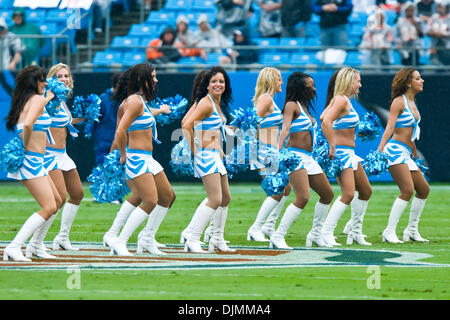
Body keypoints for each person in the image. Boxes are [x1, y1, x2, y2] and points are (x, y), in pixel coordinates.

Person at [108, 63, 175, 256]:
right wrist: (122, 155)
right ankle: (120, 241)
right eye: (152, 77)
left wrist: (161, 110)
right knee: (150, 200)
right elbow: (120, 130)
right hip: (136, 158)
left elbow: (144, 114)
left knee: (167, 197)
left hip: (148, 158)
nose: (156, 80)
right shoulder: (135, 101)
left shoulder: (140, 101)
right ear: (141, 80)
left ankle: (147, 238)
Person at [269, 71, 334, 249]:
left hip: (309, 158)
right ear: (300, 87)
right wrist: (278, 150)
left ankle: (315, 234)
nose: (314, 88)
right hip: (295, 157)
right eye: (310, 85)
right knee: (303, 197)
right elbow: (285, 129)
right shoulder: (292, 105)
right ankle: (278, 235)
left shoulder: (305, 106)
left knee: (327, 194)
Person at [3, 65, 61, 261]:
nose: (45, 82)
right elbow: (28, 124)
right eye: (42, 79)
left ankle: (36, 245)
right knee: (49, 206)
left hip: (37, 161)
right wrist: (26, 144)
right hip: (32, 160)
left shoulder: (29, 100)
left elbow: (31, 119)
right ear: (33, 82)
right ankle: (14, 246)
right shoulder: (35, 100)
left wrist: (48, 98)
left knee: (57, 201)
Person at [29, 63, 85, 254]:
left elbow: (65, 123)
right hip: (49, 155)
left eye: (66, 76)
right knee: (58, 199)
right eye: (59, 76)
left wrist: (84, 117)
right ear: (52, 78)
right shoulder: (48, 98)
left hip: (63, 155)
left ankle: (62, 237)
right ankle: (36, 243)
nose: (64, 79)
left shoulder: (61, 100)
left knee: (77, 194)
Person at [181, 66, 235, 253]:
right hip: (205, 156)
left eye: (221, 81)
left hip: (214, 155)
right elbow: (186, 125)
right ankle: (193, 237)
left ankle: (217, 239)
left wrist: (219, 147)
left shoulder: (213, 103)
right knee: (215, 198)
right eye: (214, 81)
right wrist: (194, 148)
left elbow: (186, 122)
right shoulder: (206, 103)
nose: (218, 84)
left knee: (225, 198)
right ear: (207, 85)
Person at [320, 67, 373, 246]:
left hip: (350, 154)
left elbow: (323, 116)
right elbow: (326, 121)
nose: (360, 84)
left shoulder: (344, 101)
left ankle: (355, 232)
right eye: (357, 80)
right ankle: (326, 233)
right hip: (341, 154)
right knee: (348, 193)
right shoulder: (341, 100)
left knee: (365, 191)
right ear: (349, 81)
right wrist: (332, 144)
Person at [377, 67, 429, 243]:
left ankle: (411, 231)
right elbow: (390, 128)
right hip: (395, 151)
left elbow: (410, 130)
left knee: (423, 190)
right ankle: (389, 231)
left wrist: (413, 149)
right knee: (407, 190)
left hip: (406, 152)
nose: (421, 81)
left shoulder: (412, 101)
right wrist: (380, 149)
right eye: (418, 78)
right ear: (408, 82)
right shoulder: (399, 102)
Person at [247, 67, 291, 242]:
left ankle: (269, 226)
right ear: (271, 80)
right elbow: (251, 122)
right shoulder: (266, 99)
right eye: (279, 79)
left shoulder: (270, 99)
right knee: (277, 189)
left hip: (272, 151)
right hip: (266, 152)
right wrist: (259, 147)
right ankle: (256, 227)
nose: (282, 82)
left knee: (285, 188)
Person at [93, 72, 121, 165]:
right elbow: (96, 119)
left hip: (122, 142)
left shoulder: (127, 99)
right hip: (104, 142)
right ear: (117, 84)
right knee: (103, 173)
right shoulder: (103, 98)